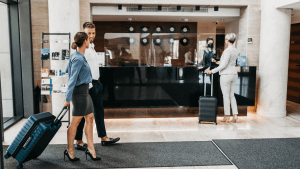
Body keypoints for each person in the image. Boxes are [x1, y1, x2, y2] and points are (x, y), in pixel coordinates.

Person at [74, 22, 120, 151]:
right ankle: (78, 141)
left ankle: (103, 137)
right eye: (89, 33)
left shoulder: (92, 47)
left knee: (99, 112)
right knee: (83, 114)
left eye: (93, 33)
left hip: (97, 84)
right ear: (83, 33)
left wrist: (98, 84)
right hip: (88, 85)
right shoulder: (81, 49)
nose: (91, 35)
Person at [63, 32, 101, 161]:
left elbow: (67, 71)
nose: (90, 40)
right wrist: (67, 99)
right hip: (79, 93)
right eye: (88, 39)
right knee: (75, 123)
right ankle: (69, 150)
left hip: (85, 92)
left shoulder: (78, 56)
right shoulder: (78, 58)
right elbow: (72, 79)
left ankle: (91, 149)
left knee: (90, 118)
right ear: (85, 41)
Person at [206, 33, 239, 123]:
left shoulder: (227, 51)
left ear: (227, 40)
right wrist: (218, 62)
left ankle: (227, 115)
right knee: (232, 95)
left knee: (225, 96)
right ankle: (235, 115)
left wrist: (212, 71)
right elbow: (228, 62)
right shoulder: (235, 50)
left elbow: (224, 65)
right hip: (234, 74)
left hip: (226, 75)